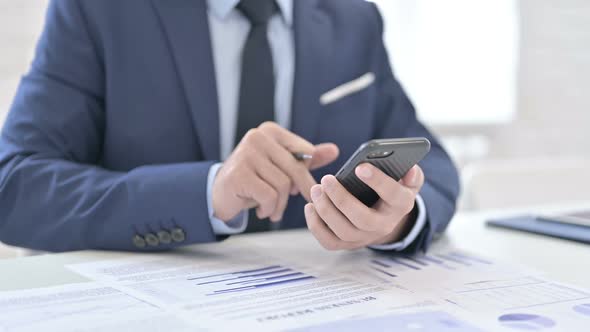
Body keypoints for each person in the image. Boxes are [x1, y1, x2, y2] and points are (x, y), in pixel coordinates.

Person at [0, 0, 459, 254]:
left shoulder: (353, 18)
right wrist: (208, 191)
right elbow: (15, 185)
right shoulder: (99, 10)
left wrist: (397, 221)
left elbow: (434, 166)